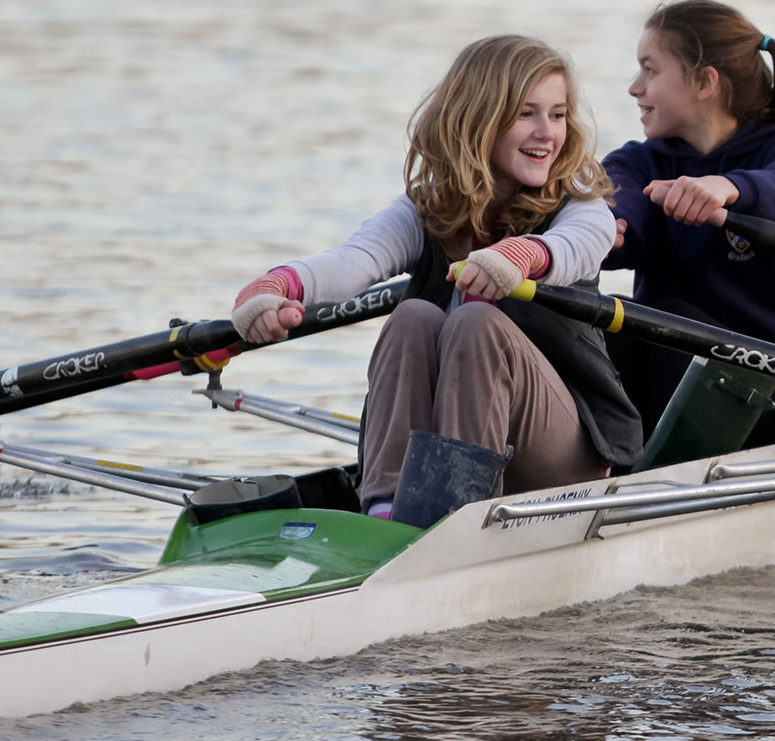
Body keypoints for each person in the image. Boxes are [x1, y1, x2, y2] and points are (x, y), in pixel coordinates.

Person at [231, 35, 641, 518]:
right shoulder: (429, 206)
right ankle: (385, 505)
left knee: (477, 323)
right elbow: (357, 258)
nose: (547, 133)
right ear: (477, 118)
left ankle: (453, 513)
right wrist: (276, 286)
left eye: (557, 115)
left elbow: (575, 248)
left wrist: (519, 255)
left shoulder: (581, 204)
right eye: (526, 113)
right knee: (413, 316)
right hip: (459, 442)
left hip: (564, 456)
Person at [602, 0, 775, 447]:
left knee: (667, 321)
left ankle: (644, 467)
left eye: (650, 70)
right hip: (676, 374)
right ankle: (611, 465)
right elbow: (616, 198)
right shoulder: (637, 162)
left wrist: (731, 189)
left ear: (705, 82)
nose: (634, 87)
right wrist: (606, 227)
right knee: (608, 319)